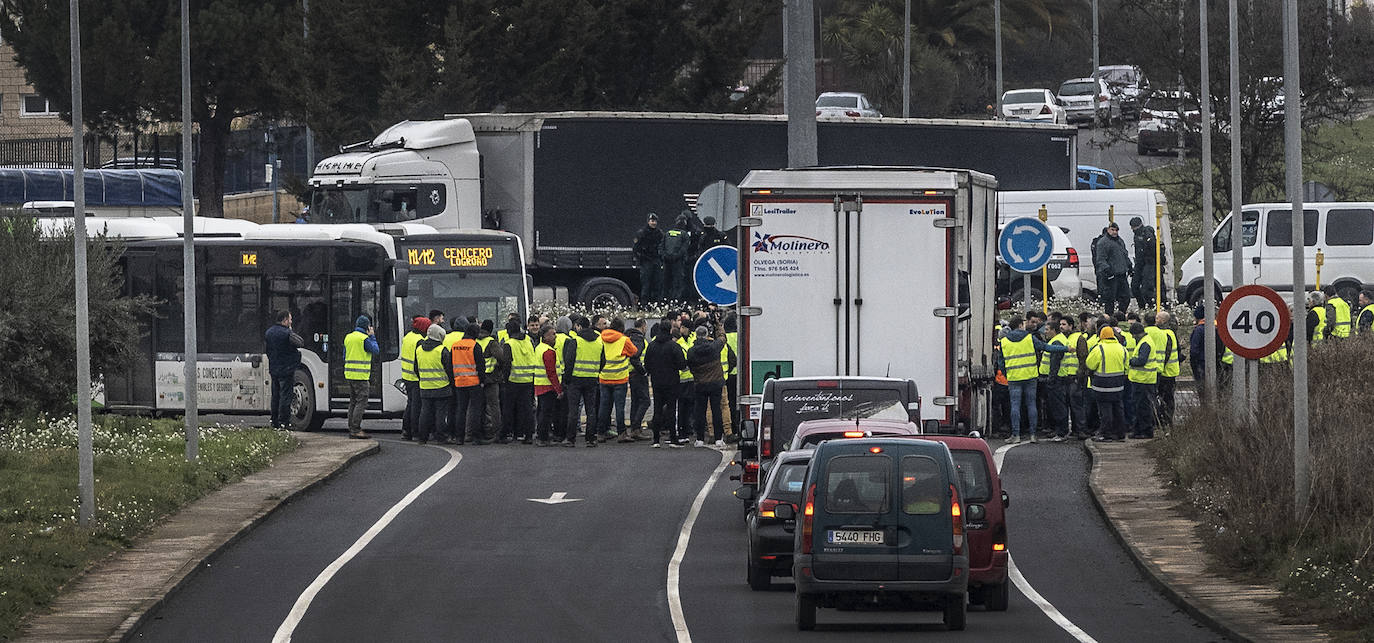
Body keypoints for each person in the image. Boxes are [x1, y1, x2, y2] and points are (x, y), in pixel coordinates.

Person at [996, 316, 1067, 444]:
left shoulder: (1004, 341)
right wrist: (1066, 348)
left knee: (1015, 406)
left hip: (1014, 378)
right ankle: (1033, 435)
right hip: (1030, 377)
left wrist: (1008, 374)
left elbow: (1001, 363)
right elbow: (1046, 347)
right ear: (1019, 326)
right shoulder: (1029, 337)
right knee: (1031, 405)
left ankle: (1016, 435)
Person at [687, 324, 732, 448]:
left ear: (696, 336)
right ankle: (718, 438)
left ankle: (700, 439)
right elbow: (723, 339)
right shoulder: (714, 347)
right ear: (706, 335)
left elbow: (690, 366)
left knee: (700, 411)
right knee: (716, 410)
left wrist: (697, 375)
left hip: (700, 384)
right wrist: (720, 327)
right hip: (716, 383)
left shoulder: (691, 351)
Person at [598, 317, 643, 442]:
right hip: (619, 378)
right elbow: (634, 352)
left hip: (604, 377)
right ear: (622, 328)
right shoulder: (624, 340)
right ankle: (621, 433)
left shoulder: (601, 337)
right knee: (619, 407)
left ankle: (601, 432)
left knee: (604, 406)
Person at [644, 322, 687, 447]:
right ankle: (673, 437)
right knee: (671, 409)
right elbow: (682, 364)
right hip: (672, 382)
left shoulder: (652, 346)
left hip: (657, 381)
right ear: (669, 330)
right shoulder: (674, 346)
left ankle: (656, 439)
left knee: (657, 409)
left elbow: (647, 364)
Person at [563, 316, 604, 446]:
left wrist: (567, 379)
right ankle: (591, 439)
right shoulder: (599, 341)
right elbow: (604, 361)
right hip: (592, 379)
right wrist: (595, 372)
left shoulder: (575, 341)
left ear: (579, 326)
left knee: (574, 410)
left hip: (575, 379)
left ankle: (570, 439)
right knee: (591, 410)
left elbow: (569, 361)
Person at [1084, 326, 1128, 441]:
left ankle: (1106, 434)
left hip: (1102, 385)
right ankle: (1120, 433)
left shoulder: (1099, 349)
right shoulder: (1121, 348)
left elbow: (1090, 364)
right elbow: (1127, 365)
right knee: (1118, 408)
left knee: (1105, 410)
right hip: (1118, 384)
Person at [264, 310, 304, 430]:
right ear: (285, 320)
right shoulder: (287, 333)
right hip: (286, 370)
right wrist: (290, 330)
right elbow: (300, 342)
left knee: (275, 396)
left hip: (274, 368)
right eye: (290, 319)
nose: (291, 322)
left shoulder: (269, 332)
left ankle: (274, 421)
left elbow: (267, 351)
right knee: (285, 396)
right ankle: (284, 422)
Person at [499, 320, 537, 444]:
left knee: (508, 409)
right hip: (529, 379)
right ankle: (528, 435)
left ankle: (504, 434)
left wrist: (504, 378)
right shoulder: (528, 340)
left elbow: (507, 363)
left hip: (513, 380)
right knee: (527, 409)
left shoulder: (509, 344)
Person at [450, 323, 488, 445]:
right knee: (476, 410)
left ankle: (459, 437)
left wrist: (453, 380)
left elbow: (450, 365)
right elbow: (481, 366)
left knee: (461, 410)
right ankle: (476, 437)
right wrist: (482, 381)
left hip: (459, 382)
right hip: (474, 382)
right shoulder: (475, 346)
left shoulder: (455, 346)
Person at [1041, 316, 1077, 442]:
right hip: (1060, 378)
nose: (1045, 332)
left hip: (1056, 379)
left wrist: (1051, 379)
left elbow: (1055, 363)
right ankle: (1061, 430)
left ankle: (1061, 432)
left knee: (1058, 406)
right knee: (1059, 406)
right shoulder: (1060, 339)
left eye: (1047, 329)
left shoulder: (1056, 342)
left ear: (1054, 331)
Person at [343, 315, 379, 439]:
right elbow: (376, 350)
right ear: (367, 327)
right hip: (361, 376)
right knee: (361, 402)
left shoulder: (348, 337)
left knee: (353, 402)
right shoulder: (364, 339)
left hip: (349, 374)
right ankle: (356, 429)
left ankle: (351, 427)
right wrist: (372, 336)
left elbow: (344, 355)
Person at [415, 324, 452, 444]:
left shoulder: (419, 349)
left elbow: (416, 368)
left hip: (425, 387)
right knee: (440, 414)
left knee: (425, 413)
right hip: (441, 387)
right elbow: (449, 369)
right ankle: (441, 437)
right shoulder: (442, 350)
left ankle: (422, 437)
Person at [398, 315, 431, 440]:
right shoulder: (419, 340)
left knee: (410, 404)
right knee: (416, 406)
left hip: (406, 376)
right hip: (416, 377)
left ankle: (406, 431)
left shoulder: (408, 337)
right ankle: (415, 431)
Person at [1126, 322, 1159, 439]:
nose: (1133, 338)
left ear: (1137, 333)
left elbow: (1141, 361)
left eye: (1133, 335)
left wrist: (1130, 360)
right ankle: (1139, 430)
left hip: (1144, 380)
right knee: (1139, 407)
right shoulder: (1145, 341)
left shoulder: (1145, 343)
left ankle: (1145, 431)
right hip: (1142, 380)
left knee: (1143, 408)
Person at [533, 325, 564, 447]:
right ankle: (543, 437)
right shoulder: (549, 352)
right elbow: (551, 372)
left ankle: (541, 436)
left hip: (540, 384)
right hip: (548, 386)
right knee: (546, 413)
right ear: (545, 336)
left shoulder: (539, 348)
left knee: (541, 411)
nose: (555, 336)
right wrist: (558, 390)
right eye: (552, 334)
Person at [1094, 221, 1132, 315]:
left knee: (1126, 297)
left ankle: (1121, 315)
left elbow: (1124, 255)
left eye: (1116, 230)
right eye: (1112, 230)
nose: (1115, 232)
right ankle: (1110, 318)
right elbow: (1100, 259)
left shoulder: (1120, 241)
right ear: (1108, 230)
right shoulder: (1103, 242)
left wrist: (1130, 266)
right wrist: (1107, 270)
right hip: (1111, 276)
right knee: (1110, 299)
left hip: (1122, 275)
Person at [1152, 311, 1181, 428]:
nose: (1156, 319)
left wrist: (1160, 368)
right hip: (1169, 370)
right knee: (1166, 397)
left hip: (1167, 372)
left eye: (1158, 318)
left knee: (1166, 398)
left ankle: (1166, 420)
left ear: (1163, 320)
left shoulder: (1166, 333)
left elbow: (1166, 353)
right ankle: (1165, 420)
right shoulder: (1169, 332)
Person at [475, 320, 502, 441]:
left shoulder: (474, 340)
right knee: (494, 406)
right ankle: (496, 432)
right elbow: (501, 357)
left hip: (475, 377)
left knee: (478, 405)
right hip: (491, 378)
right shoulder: (491, 342)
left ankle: (479, 431)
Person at [626, 318, 651, 441]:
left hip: (631, 373)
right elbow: (635, 357)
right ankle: (636, 427)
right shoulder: (638, 338)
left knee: (636, 401)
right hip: (638, 373)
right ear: (643, 326)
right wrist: (643, 371)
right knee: (646, 401)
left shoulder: (630, 336)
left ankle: (635, 428)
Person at [661, 214, 694, 301]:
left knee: (666, 282)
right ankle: (676, 300)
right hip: (678, 262)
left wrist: (665, 256)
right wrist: (677, 256)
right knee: (678, 282)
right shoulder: (684, 234)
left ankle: (665, 300)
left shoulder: (668, 233)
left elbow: (661, 246)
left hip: (667, 261)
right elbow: (684, 248)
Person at [633, 212, 665, 302]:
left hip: (656, 261)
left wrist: (661, 260)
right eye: (652, 221)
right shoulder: (642, 233)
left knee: (657, 285)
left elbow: (663, 247)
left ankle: (656, 305)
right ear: (648, 221)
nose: (653, 223)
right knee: (646, 286)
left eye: (655, 221)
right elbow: (636, 249)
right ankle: (644, 305)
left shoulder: (660, 233)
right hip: (646, 262)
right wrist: (641, 260)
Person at [1129, 216, 1159, 310]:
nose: (1132, 229)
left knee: (1146, 288)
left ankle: (1150, 306)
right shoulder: (1136, 235)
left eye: (1133, 227)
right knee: (1134, 286)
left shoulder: (1147, 234)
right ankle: (1142, 306)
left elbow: (1153, 250)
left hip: (1149, 263)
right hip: (1139, 263)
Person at [723, 313, 740, 442]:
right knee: (738, 403)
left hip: (728, 375)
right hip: (740, 375)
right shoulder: (740, 336)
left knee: (728, 403)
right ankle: (739, 426)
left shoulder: (724, 339)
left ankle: (731, 428)